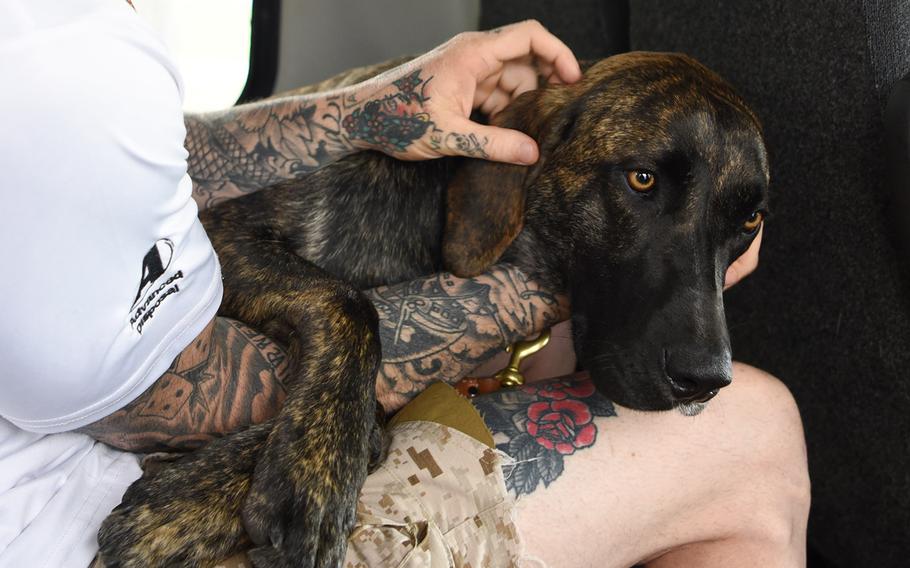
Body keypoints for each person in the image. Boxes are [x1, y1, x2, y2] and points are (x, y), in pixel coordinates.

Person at [0, 1, 808, 566]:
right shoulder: (40, 61)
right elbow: (147, 383)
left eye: (739, 222)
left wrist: (363, 110)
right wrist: (531, 294)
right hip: (52, 515)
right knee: (756, 434)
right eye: (638, 179)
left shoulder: (71, 36)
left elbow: (151, 166)